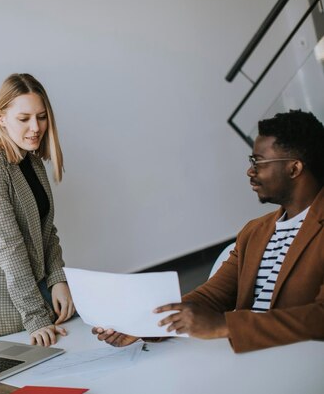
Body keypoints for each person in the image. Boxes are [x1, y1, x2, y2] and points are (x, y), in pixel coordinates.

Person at [93, 110, 324, 353]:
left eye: (258, 161)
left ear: (294, 168)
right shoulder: (255, 232)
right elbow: (212, 296)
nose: (250, 171)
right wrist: (146, 324)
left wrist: (226, 326)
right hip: (251, 360)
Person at [0, 73, 75, 347]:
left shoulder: (31, 160)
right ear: (0, 117)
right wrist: (36, 316)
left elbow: (47, 230)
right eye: (24, 119)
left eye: (41, 116)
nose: (35, 127)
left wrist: (58, 279)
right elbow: (9, 245)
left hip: (32, 290)